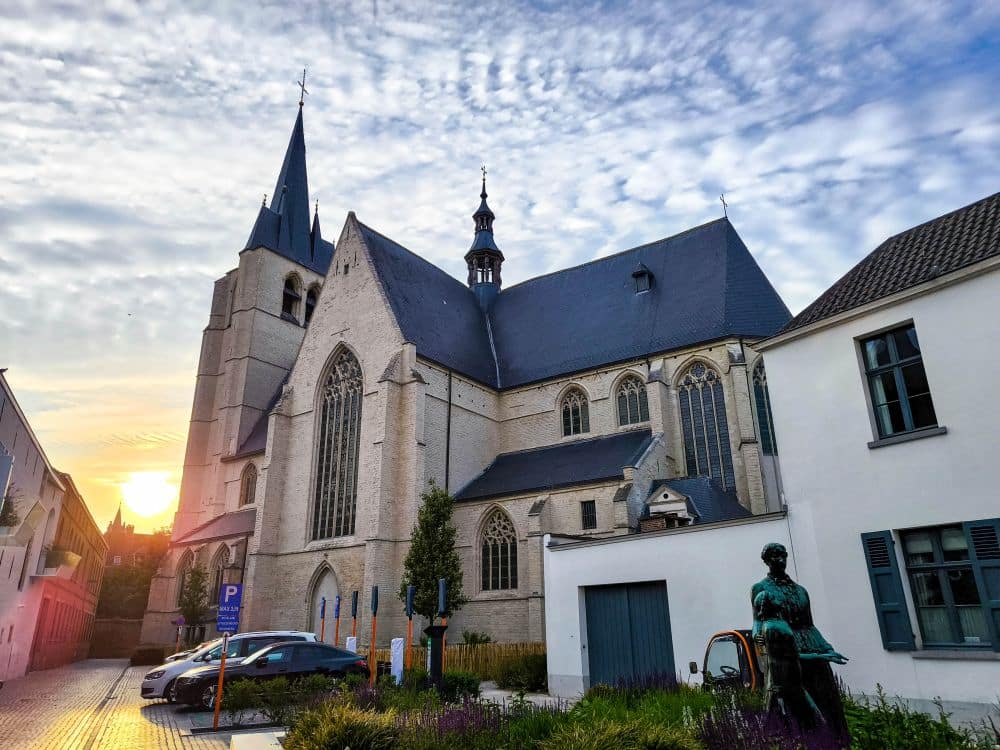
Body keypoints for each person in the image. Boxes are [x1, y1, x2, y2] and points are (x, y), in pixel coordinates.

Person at [752, 542, 849, 741]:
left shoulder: (800, 591)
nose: (780, 560)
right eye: (775, 556)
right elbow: (757, 620)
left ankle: (836, 740)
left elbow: (810, 625)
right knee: (798, 706)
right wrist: (757, 635)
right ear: (767, 561)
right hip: (785, 647)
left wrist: (827, 648)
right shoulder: (760, 589)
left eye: (783, 555)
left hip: (811, 645)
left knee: (826, 699)